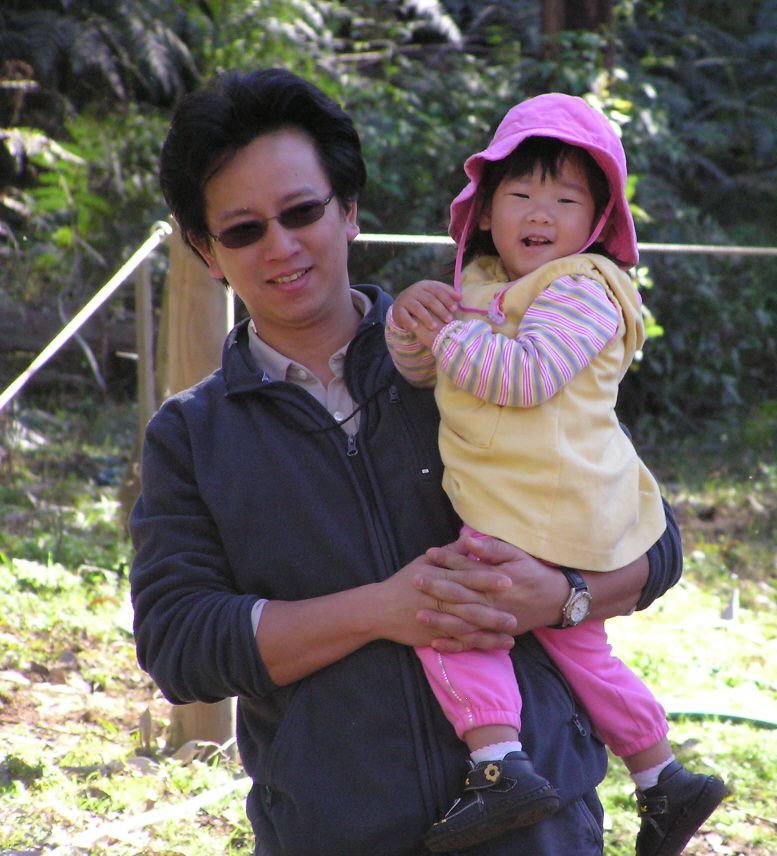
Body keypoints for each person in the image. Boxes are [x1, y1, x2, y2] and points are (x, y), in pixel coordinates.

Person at [129, 68, 685, 856]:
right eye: (244, 230)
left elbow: (657, 546)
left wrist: (563, 596)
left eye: (302, 212)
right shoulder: (193, 435)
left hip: (542, 832)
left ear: (349, 210)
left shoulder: (482, 354)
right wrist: (382, 609)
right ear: (204, 250)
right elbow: (181, 643)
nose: (282, 246)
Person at [385, 93, 728, 856]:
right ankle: (664, 778)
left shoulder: (584, 288)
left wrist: (448, 336)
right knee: (583, 651)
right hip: (533, 505)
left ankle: (499, 765)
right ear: (485, 210)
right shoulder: (479, 283)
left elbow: (526, 375)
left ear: (596, 221)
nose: (541, 212)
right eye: (520, 194)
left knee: (456, 621)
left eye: (566, 199)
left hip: (540, 505)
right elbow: (420, 372)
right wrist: (411, 321)